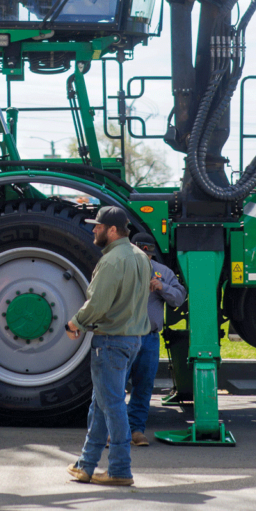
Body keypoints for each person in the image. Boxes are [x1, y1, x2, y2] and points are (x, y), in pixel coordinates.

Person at [66, 206, 151, 487]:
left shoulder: (112, 261)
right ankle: (85, 466)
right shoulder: (141, 257)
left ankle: (119, 469)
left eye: (98, 226)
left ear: (112, 230)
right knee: (100, 404)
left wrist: (76, 323)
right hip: (132, 340)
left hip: (111, 341)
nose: (94, 230)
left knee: (112, 405)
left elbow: (98, 303)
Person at [126, 244, 187, 446]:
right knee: (115, 387)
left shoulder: (163, 272)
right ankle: (114, 432)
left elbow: (179, 298)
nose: (146, 257)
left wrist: (163, 287)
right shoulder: (122, 267)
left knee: (143, 387)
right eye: (142, 252)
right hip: (124, 336)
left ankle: (136, 431)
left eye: (149, 253)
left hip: (149, 338)